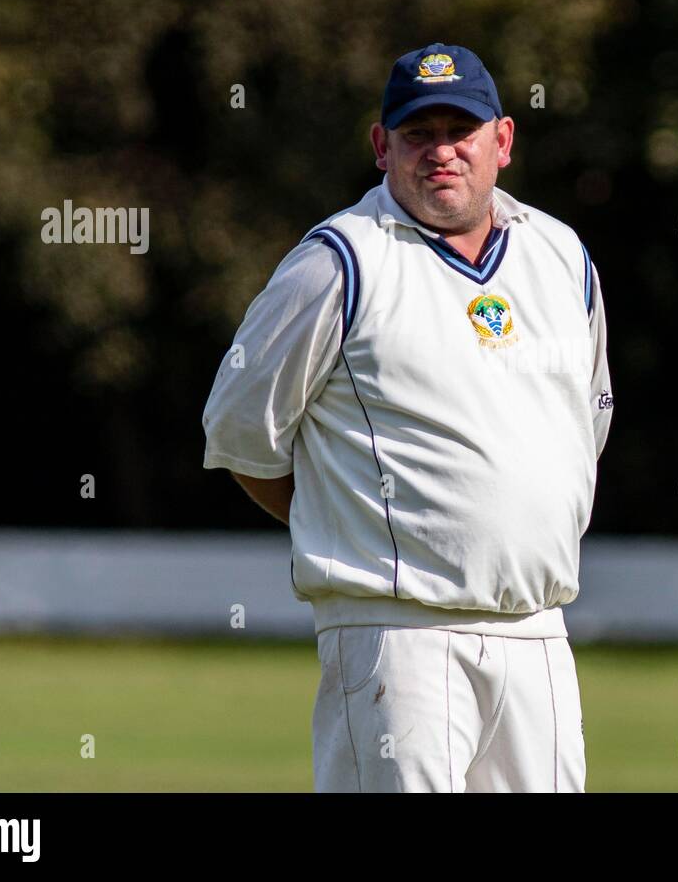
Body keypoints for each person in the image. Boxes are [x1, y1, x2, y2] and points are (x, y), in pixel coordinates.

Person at [201, 42, 613, 792]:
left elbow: (584, 424)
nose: (443, 152)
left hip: (539, 634)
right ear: (382, 147)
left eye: (462, 130)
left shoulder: (561, 257)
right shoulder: (340, 261)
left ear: (504, 141)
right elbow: (239, 432)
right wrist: (348, 523)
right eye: (419, 134)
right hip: (399, 638)